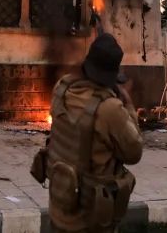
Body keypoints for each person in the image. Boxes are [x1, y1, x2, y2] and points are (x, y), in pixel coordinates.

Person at [44, 33, 142, 233]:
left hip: (60, 211)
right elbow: (134, 152)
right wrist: (129, 106)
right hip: (90, 221)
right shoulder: (110, 109)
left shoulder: (61, 88)